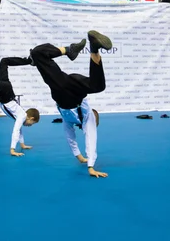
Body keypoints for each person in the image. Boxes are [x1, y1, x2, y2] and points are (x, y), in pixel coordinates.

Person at [29, 30, 111, 178]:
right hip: (71, 92)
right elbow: (91, 139)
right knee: (98, 86)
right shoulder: (88, 118)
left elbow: (70, 137)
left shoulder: (70, 121)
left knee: (37, 53)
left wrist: (80, 157)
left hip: (63, 86)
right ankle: (71, 50)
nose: (93, 123)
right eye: (94, 119)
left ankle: (85, 48)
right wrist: (91, 166)